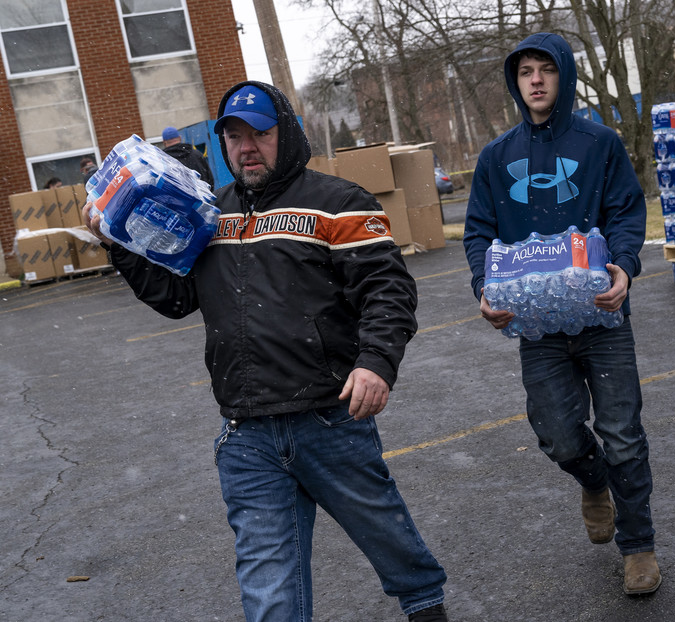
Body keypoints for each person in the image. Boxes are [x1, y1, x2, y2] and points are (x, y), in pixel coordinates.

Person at [83, 81, 449, 622]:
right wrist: (119, 246)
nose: (246, 147)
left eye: (260, 134)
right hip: (247, 435)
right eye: (234, 137)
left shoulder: (339, 203)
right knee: (269, 590)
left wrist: (375, 363)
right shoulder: (212, 215)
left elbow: (388, 291)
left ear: (287, 133)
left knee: (391, 544)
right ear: (222, 144)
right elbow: (178, 297)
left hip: (329, 422)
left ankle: (425, 607)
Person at [462, 32, 660, 596]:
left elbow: (625, 210)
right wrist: (485, 286)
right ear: (515, 82)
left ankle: (638, 547)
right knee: (559, 438)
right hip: (537, 324)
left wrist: (623, 267)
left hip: (602, 315)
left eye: (545, 69)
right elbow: (479, 231)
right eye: (525, 71)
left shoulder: (599, 144)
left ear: (564, 76)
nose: (535, 80)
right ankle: (592, 482)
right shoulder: (497, 157)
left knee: (622, 432)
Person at [161, 125, 215, 190]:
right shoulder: (196, 154)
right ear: (180, 138)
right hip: (202, 196)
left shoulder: (162, 160)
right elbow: (210, 179)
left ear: (164, 142)